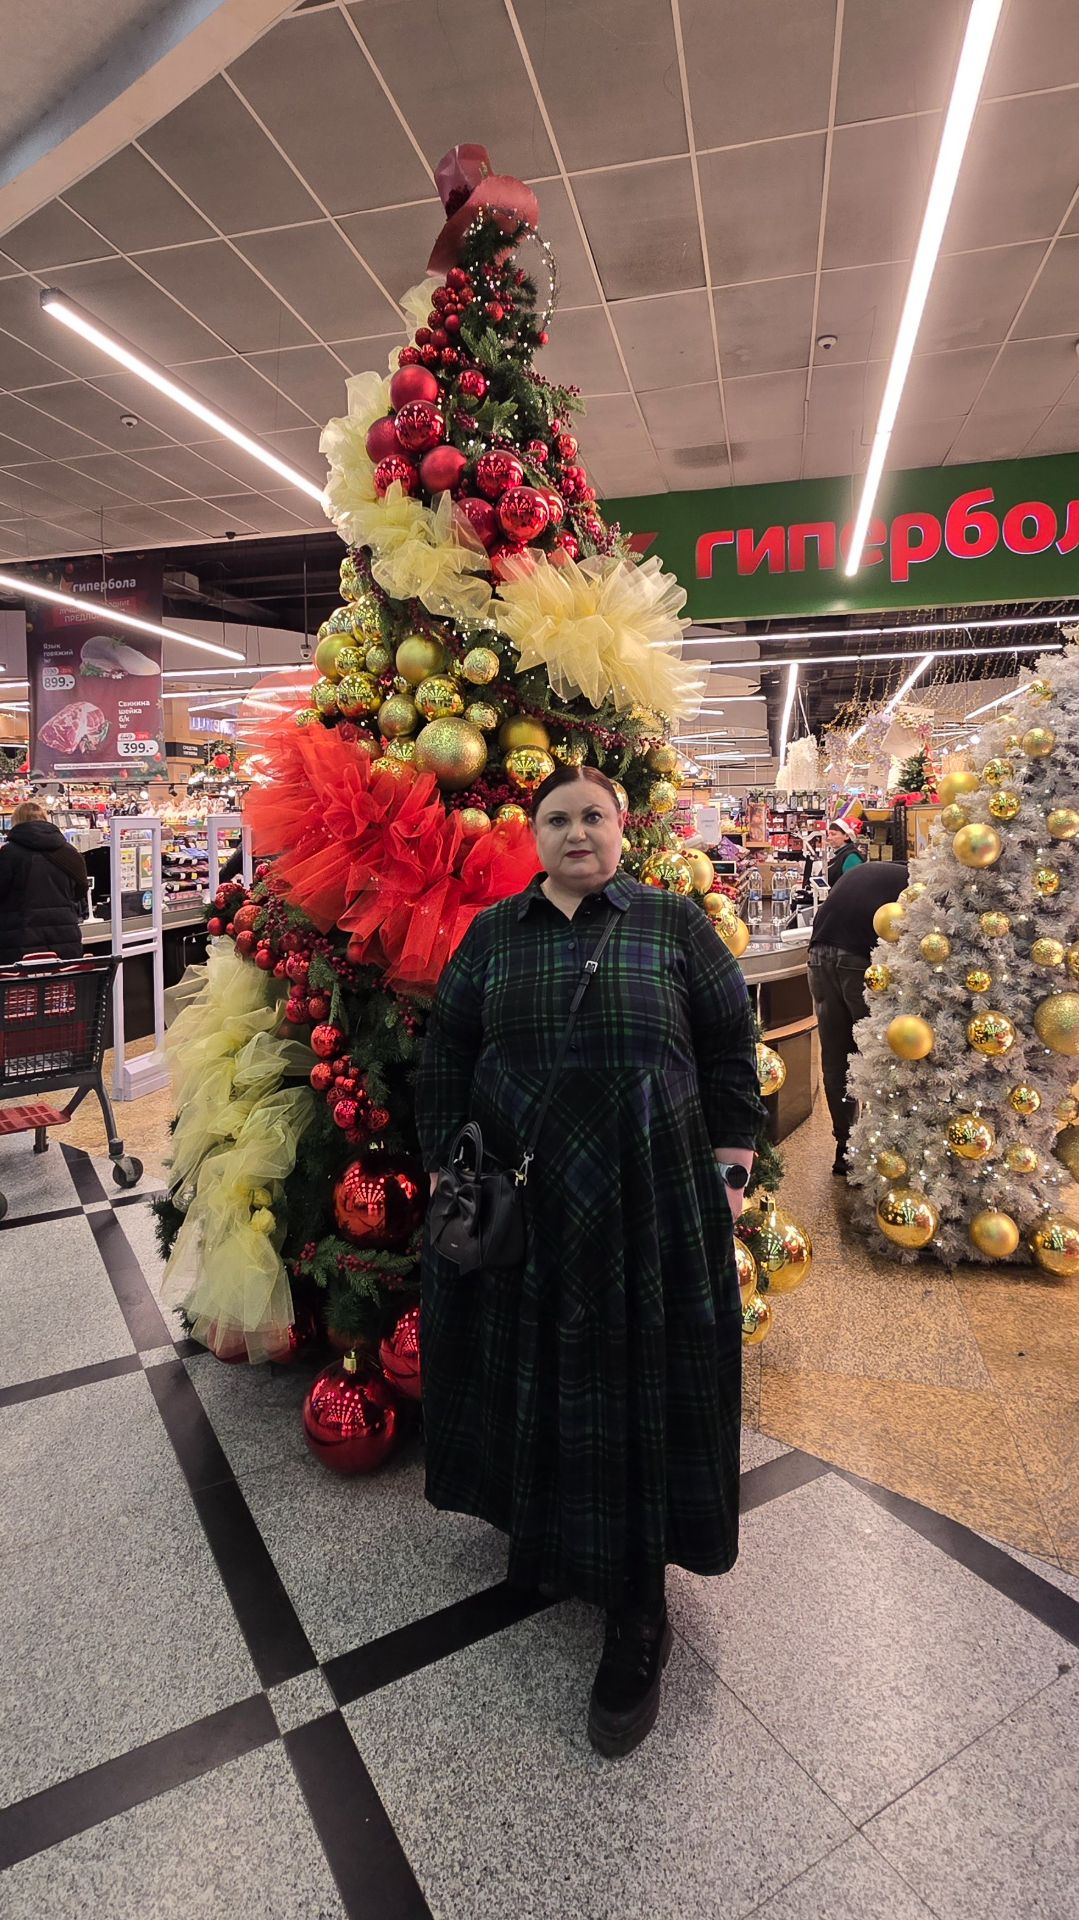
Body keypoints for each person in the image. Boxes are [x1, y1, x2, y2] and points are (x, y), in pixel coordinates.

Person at [416, 764, 764, 1759]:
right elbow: (446, 1054)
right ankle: (543, 1533)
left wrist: (729, 1173)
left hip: (648, 1199)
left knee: (632, 1382)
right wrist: (452, 1165)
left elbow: (727, 1046)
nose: (576, 832)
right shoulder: (491, 935)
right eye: (557, 818)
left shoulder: (671, 925)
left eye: (592, 817)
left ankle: (635, 1606)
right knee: (536, 1367)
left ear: (622, 829)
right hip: (524, 1205)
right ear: (533, 835)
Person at [807, 857, 908, 1175]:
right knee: (878, 1053)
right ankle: (882, 1148)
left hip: (817, 954)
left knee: (837, 1055)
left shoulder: (870, 871)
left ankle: (845, 1148)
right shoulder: (917, 885)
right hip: (859, 960)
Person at [0, 798, 88, 965]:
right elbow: (81, 892)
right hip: (64, 941)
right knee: (61, 989)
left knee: (22, 991)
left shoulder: (8, 854)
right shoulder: (70, 853)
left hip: (18, 944)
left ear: (16, 822)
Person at [824, 818, 866, 888]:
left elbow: (853, 887)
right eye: (828, 834)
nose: (829, 838)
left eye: (833, 834)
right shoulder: (840, 854)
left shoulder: (851, 857)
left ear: (846, 836)